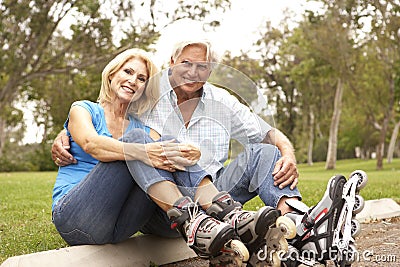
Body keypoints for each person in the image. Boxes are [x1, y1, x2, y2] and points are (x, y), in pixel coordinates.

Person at [52, 41, 354, 266]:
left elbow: (264, 132)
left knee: (258, 151)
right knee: (148, 145)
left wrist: (287, 153)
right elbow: (93, 142)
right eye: (127, 72)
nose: (133, 81)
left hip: (158, 209)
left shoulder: (149, 116)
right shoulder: (110, 108)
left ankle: (297, 226)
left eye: (141, 78)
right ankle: (207, 220)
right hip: (118, 210)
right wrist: (66, 136)